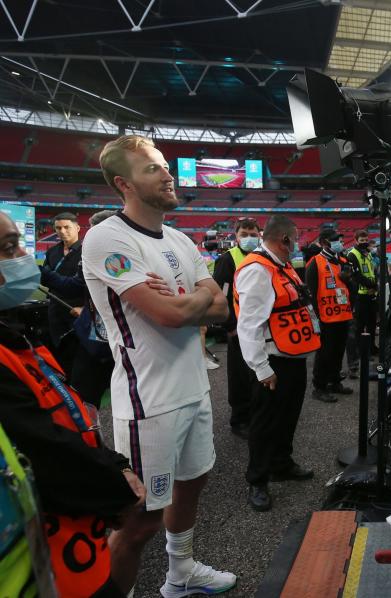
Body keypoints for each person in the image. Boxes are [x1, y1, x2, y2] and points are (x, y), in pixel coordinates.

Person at [83, 135, 236, 597]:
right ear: (123, 183)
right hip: (149, 402)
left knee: (193, 483)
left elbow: (222, 309)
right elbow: (170, 316)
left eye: (165, 165)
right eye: (153, 168)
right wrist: (196, 300)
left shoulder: (179, 237)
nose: (168, 174)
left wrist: (189, 302)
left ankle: (181, 573)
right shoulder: (107, 237)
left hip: (194, 389)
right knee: (140, 519)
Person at [0, 210, 144, 597]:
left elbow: (64, 415)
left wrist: (113, 465)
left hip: (70, 560)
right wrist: (116, 490)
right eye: (8, 248)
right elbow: (43, 446)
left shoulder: (17, 338)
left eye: (17, 244)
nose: (21, 257)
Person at [235, 215, 319, 511]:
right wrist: (261, 368)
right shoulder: (258, 269)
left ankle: (282, 464)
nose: (297, 244)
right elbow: (249, 325)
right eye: (295, 238)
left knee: (287, 417)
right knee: (265, 423)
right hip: (272, 361)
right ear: (285, 239)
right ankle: (257, 480)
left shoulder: (280, 267)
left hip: (292, 357)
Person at [41, 209, 117, 412]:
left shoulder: (105, 256)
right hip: (88, 325)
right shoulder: (54, 252)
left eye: (95, 231)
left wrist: (42, 274)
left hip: (103, 331)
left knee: (87, 388)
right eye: (58, 228)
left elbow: (78, 285)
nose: (91, 236)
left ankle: (89, 433)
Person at [212, 218, 262, 438]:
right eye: (245, 234)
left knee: (258, 373)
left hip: (261, 327)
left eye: (253, 233)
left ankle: (256, 414)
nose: (249, 238)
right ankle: (240, 419)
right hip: (239, 329)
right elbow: (220, 296)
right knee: (240, 376)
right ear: (236, 235)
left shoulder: (262, 257)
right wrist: (230, 327)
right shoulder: (227, 259)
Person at [305, 229, 353, 402]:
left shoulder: (343, 261)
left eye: (340, 239)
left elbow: (350, 287)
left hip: (343, 314)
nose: (339, 242)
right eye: (335, 240)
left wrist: (348, 279)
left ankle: (334, 381)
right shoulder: (314, 263)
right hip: (325, 317)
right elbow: (310, 293)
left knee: (339, 351)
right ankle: (319, 387)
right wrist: (314, 319)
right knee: (325, 352)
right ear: (325, 242)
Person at [40, 212, 85, 376]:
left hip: (77, 310)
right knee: (57, 348)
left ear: (77, 228)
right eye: (58, 228)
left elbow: (92, 285)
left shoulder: (87, 251)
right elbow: (44, 279)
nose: (62, 231)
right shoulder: (51, 252)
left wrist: (85, 308)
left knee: (78, 352)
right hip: (55, 309)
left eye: (67, 227)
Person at [346, 229, 378, 363]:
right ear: (356, 241)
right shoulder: (352, 255)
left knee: (372, 324)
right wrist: (372, 285)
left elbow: (373, 270)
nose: (364, 243)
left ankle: (371, 347)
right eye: (361, 241)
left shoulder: (368, 253)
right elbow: (356, 276)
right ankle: (361, 351)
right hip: (360, 295)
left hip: (371, 293)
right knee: (360, 325)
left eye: (366, 240)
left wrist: (375, 284)